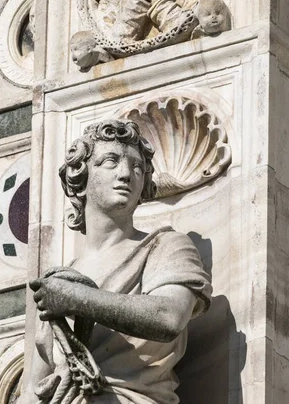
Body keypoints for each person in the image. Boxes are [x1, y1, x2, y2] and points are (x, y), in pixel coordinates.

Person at [20, 120, 212, 403]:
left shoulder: (165, 246)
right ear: (81, 178)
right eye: (110, 161)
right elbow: (32, 391)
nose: (126, 174)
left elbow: (168, 317)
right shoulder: (58, 282)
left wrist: (78, 299)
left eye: (137, 167)